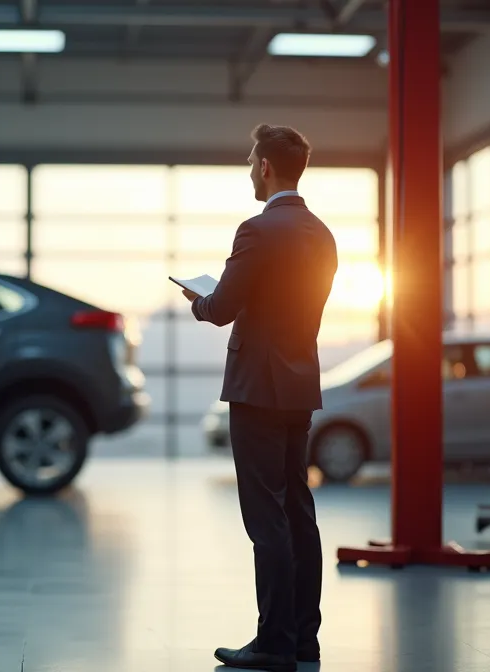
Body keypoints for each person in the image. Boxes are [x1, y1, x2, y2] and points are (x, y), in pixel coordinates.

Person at [183, 124, 337, 672]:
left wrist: (198, 300)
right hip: (299, 387)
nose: (250, 169)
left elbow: (223, 306)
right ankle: (303, 640)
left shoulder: (256, 230)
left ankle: (272, 642)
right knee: (298, 510)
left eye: (252, 161)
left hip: (257, 388)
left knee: (265, 516)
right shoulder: (322, 234)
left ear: (267, 167)